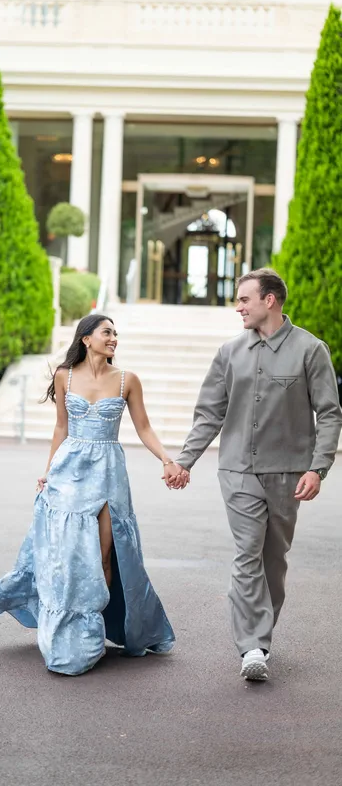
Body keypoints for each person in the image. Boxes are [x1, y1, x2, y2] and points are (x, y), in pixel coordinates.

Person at [0, 314, 183, 676]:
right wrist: (48, 469)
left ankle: (93, 630)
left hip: (106, 472)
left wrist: (166, 459)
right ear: (86, 339)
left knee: (103, 556)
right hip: (68, 470)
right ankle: (66, 626)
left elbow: (144, 427)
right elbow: (61, 426)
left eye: (116, 334)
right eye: (107, 332)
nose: (114, 338)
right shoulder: (64, 376)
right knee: (68, 555)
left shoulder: (126, 381)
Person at [171, 268, 342, 681]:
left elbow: (330, 412)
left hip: (288, 474)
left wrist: (318, 468)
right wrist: (185, 460)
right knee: (248, 551)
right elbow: (209, 413)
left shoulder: (310, 349)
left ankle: (261, 634)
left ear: (270, 300)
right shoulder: (230, 352)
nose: (238, 306)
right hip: (237, 471)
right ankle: (252, 647)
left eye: (244, 299)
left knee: (273, 560)